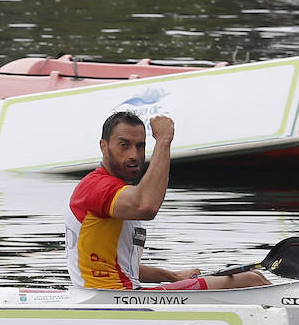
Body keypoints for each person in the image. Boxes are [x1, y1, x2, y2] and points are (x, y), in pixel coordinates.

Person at [65, 111, 269, 291]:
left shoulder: (114, 192)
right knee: (251, 280)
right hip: (113, 298)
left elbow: (120, 265)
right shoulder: (97, 187)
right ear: (103, 146)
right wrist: (163, 141)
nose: (134, 155)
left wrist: (173, 276)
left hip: (113, 295)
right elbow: (147, 206)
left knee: (256, 276)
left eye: (140, 146)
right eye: (124, 145)